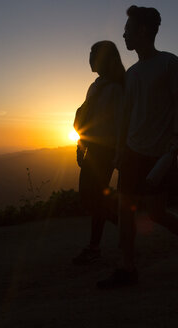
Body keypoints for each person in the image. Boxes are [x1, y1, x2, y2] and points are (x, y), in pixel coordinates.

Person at [97, 6, 178, 289]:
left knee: (156, 213)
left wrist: (175, 139)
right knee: (125, 210)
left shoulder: (170, 63)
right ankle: (127, 268)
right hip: (132, 151)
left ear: (143, 31)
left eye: (128, 29)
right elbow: (126, 116)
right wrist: (120, 149)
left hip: (159, 154)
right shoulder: (132, 74)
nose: (124, 34)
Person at [72, 41, 125, 265]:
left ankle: (95, 246)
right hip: (92, 147)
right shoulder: (95, 86)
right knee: (89, 196)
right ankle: (125, 224)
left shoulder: (118, 88)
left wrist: (119, 152)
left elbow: (122, 122)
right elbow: (86, 118)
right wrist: (80, 145)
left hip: (107, 149)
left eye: (94, 54)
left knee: (94, 196)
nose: (90, 59)